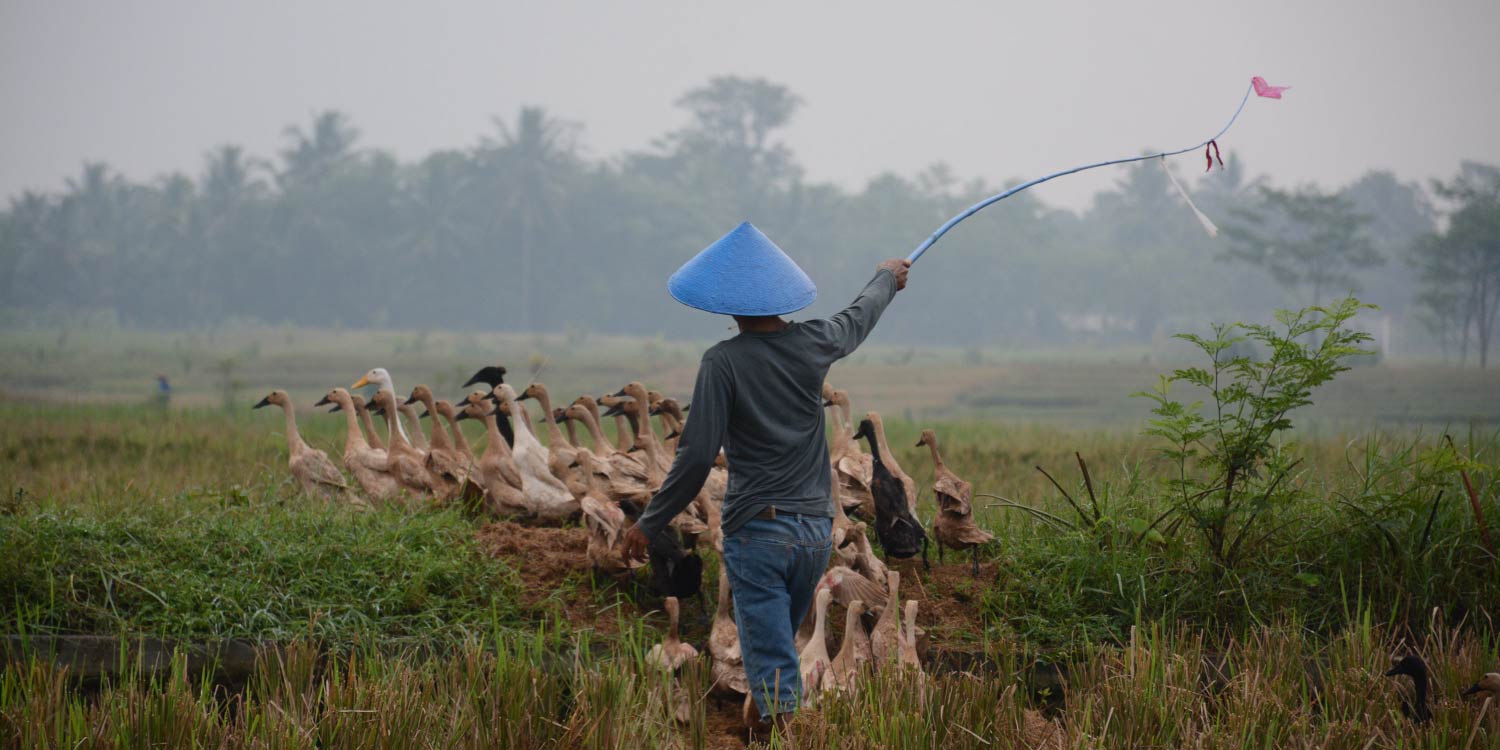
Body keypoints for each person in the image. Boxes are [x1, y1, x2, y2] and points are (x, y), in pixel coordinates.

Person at [623, 221, 910, 729]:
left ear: (725, 302)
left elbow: (694, 458)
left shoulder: (722, 363)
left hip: (758, 537)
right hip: (813, 537)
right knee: (775, 658)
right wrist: (886, 277)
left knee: (773, 670)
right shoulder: (814, 343)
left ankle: (790, 736)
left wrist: (650, 523)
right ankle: (766, 732)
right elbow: (858, 315)